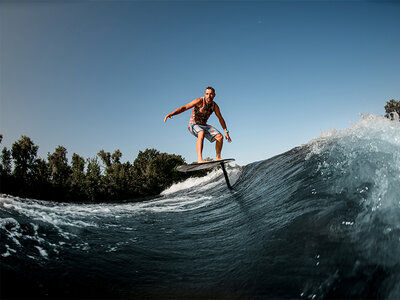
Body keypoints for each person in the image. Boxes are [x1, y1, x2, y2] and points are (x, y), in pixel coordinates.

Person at [164, 86, 232, 163]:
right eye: (207, 94)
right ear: (204, 94)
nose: (209, 96)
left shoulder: (214, 106)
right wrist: (172, 113)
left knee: (220, 137)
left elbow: (220, 118)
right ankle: (200, 159)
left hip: (204, 125)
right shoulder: (199, 101)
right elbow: (185, 107)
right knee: (201, 132)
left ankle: (218, 157)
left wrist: (226, 131)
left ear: (214, 95)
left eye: (211, 94)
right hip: (193, 125)